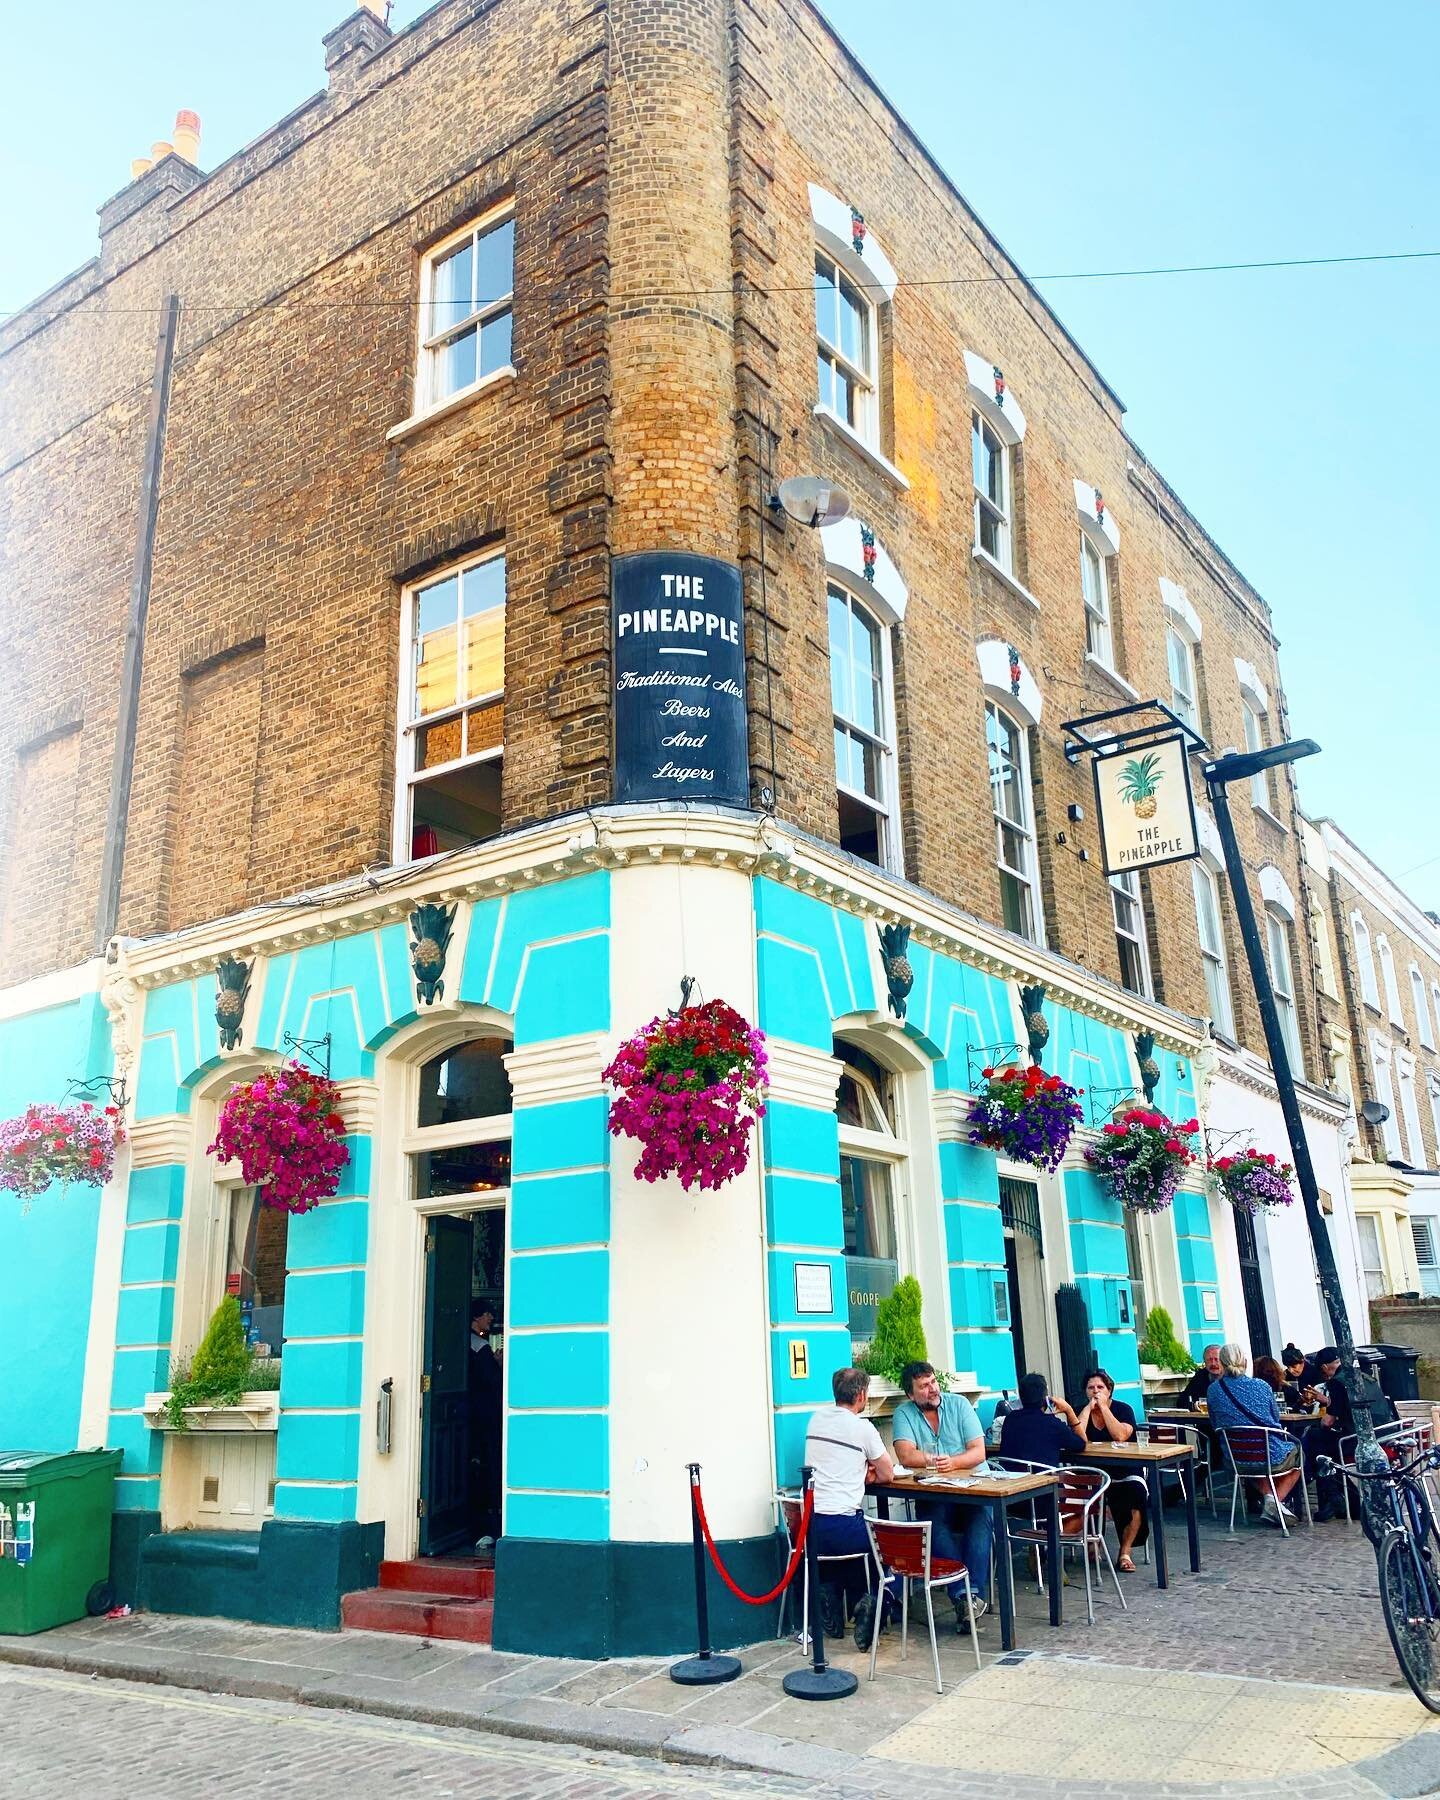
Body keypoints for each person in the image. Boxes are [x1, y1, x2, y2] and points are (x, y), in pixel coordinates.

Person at [803, 1367, 901, 1651]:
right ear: (861, 1395)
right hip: (843, 1525)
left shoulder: (815, 1420)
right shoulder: (863, 1428)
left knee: (853, 1554)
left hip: (810, 1528)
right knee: (891, 1553)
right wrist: (867, 1473)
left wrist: (859, 1470)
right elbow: (887, 1474)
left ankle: (831, 1594)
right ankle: (877, 1607)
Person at [891, 1361, 992, 1635]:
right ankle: (964, 1597)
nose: (932, 1389)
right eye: (923, 1386)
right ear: (911, 1394)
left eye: (933, 1382)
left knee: (980, 1518)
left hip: (975, 1487)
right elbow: (905, 1455)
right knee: (931, 1522)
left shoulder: (959, 1405)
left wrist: (955, 1462)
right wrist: (934, 1461)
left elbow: (978, 1452)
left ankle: (971, 1594)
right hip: (935, 1491)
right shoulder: (904, 1413)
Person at [1206, 1343, 1305, 1527]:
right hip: (1267, 1452)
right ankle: (1274, 1502)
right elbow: (1275, 1418)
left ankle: (1270, 1500)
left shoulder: (1213, 1390)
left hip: (1235, 1457)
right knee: (1298, 1452)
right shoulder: (1261, 1386)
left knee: (1253, 1461)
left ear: (1223, 1363)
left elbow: (1214, 1423)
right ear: (1243, 1361)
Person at [1077, 1369, 1149, 1572]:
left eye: (1100, 1387)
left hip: (1124, 1468)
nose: (1095, 1392)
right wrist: (1087, 1410)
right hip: (1093, 1469)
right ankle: (1091, 1542)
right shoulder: (1082, 1411)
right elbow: (1078, 1437)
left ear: (1109, 1390)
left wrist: (1104, 1408)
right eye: (1091, 1388)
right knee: (1081, 1493)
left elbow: (1119, 1435)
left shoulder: (1123, 1409)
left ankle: (1125, 1552)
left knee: (1136, 1493)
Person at [468, 1302, 503, 1547]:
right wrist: (499, 1364)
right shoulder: (480, 1349)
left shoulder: (469, 1345)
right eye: (487, 1313)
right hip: (487, 1415)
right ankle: (489, 1522)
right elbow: (492, 1382)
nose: (491, 1317)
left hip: (470, 1415)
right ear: (476, 1318)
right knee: (490, 1465)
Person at [999, 1372, 1086, 1466]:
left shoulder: (1010, 1419)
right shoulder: (1053, 1424)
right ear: (1046, 1399)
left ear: (1021, 1397)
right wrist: (1069, 1411)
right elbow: (1081, 1444)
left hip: (1013, 1478)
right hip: (1045, 1479)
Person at [1179, 1344, 1222, 1409]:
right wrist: (1194, 1405)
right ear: (1204, 1361)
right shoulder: (1201, 1375)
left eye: (1216, 1359)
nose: (1213, 1363)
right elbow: (1181, 1401)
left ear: (1223, 1361)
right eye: (1209, 1360)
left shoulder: (1231, 1376)